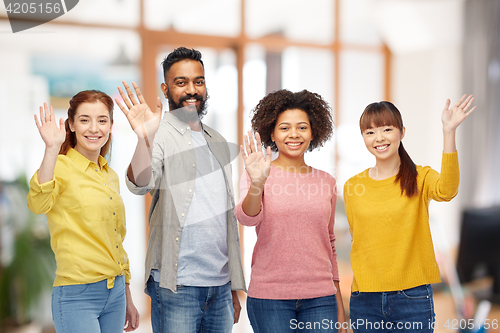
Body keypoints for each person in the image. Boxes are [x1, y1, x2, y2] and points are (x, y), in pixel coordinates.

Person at [116, 46, 245, 333]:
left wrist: (235, 285)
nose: (192, 89)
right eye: (181, 82)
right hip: (178, 285)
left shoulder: (218, 140)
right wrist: (144, 140)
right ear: (165, 88)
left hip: (220, 286)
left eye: (198, 81)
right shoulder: (158, 134)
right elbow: (139, 184)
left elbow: (227, 220)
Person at [343, 95, 476, 332]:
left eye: (387, 129)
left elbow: (447, 190)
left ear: (402, 132)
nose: (379, 138)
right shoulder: (353, 186)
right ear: (363, 137)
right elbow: (360, 240)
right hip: (365, 299)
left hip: (412, 297)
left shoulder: (419, 177)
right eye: (370, 132)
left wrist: (448, 132)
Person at [26, 90, 139, 333]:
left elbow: (116, 241)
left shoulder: (110, 175)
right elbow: (38, 203)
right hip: (77, 294)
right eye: (85, 119)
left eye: (102, 120)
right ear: (71, 125)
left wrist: (127, 294)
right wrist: (51, 149)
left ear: (110, 126)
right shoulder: (61, 165)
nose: (94, 128)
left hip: (116, 292)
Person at [235, 89, 347, 333]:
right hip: (269, 297)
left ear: (313, 132)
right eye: (284, 128)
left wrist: (339, 304)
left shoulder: (326, 181)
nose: (294, 134)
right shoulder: (257, 173)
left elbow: (330, 243)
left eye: (302, 127)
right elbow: (246, 218)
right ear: (272, 134)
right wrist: (257, 183)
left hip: (320, 298)